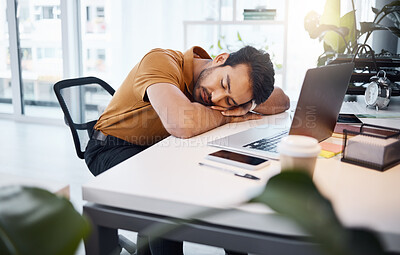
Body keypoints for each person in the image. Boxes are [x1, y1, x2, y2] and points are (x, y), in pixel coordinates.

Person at [84, 45, 290, 255]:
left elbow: (282, 100)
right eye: (223, 84)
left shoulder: (219, 77)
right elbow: (182, 123)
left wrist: (247, 105)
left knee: (225, 175)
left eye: (229, 101)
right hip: (109, 146)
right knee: (167, 196)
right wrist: (228, 114)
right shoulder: (160, 61)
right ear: (220, 59)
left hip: (160, 149)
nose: (216, 98)